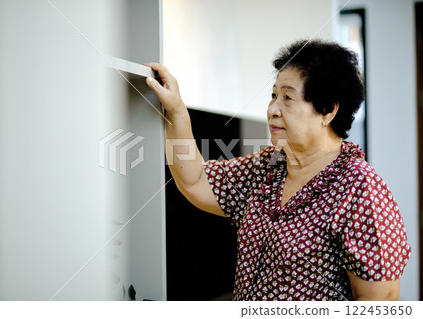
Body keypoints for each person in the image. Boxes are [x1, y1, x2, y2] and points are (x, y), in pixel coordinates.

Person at [145, 39, 411, 301]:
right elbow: (195, 180)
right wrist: (177, 111)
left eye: (287, 98)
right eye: (273, 95)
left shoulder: (360, 186)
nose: (272, 109)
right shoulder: (269, 165)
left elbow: (380, 301)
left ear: (327, 110)